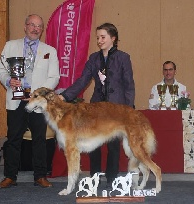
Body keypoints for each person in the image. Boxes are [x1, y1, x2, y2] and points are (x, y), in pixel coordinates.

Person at [59, 23, 135, 189]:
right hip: (96, 108)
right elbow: (82, 81)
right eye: (98, 38)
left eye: (103, 37)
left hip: (116, 109)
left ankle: (112, 179)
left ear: (113, 38)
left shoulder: (123, 58)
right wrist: (64, 96)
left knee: (114, 146)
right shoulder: (93, 58)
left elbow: (129, 85)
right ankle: (94, 177)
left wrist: (129, 110)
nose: (99, 41)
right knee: (94, 144)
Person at [0, 14, 60, 188]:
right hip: (15, 100)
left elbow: (54, 77)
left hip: (38, 102)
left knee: (40, 139)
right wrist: (9, 80)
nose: (35, 28)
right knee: (13, 139)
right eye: (32, 25)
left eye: (39, 26)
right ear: (25, 27)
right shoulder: (10, 46)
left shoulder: (50, 50)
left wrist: (38, 94)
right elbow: (0, 70)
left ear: (42, 30)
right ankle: (10, 176)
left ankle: (40, 176)